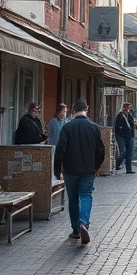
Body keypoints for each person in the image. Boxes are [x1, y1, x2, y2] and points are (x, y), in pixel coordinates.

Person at [54, 98, 105, 245]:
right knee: (86, 195)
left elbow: (60, 150)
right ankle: (84, 222)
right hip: (88, 169)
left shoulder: (68, 127)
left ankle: (76, 230)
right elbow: (101, 150)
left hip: (70, 170)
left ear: (73, 110)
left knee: (73, 198)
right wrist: (96, 166)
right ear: (86, 109)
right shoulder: (94, 127)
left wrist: (57, 169)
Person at [113, 102, 136, 173]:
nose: (129, 109)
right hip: (121, 136)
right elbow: (118, 126)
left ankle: (129, 169)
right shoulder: (120, 115)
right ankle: (117, 164)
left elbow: (132, 124)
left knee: (129, 153)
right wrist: (121, 131)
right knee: (123, 152)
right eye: (128, 107)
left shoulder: (130, 116)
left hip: (129, 136)